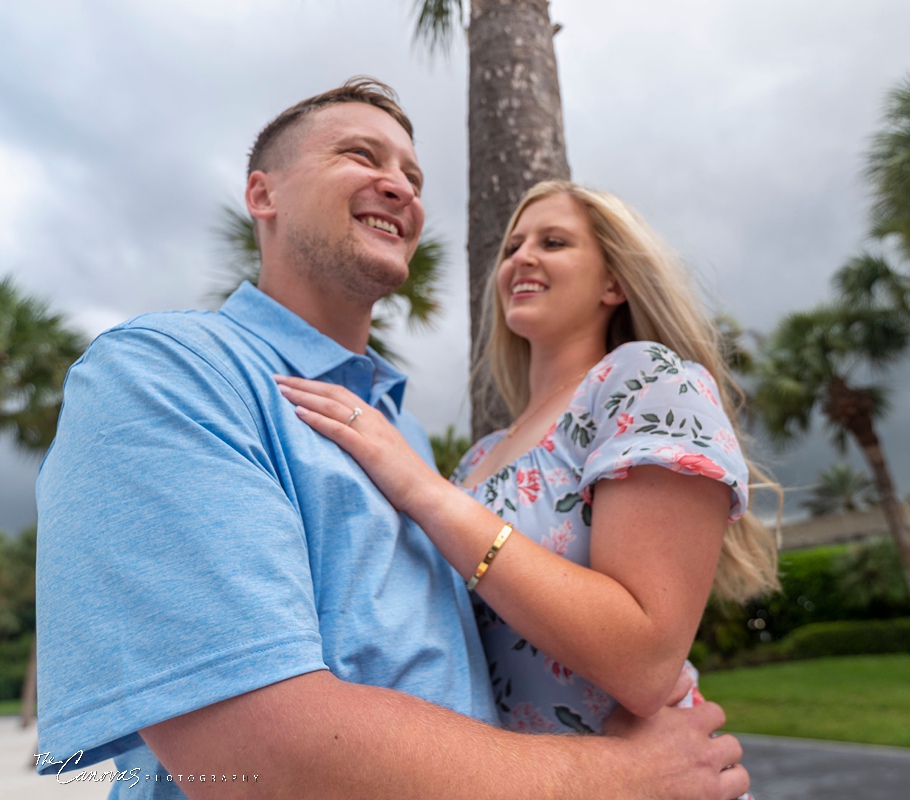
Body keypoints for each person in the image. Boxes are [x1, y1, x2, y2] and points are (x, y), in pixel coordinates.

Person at [35, 77, 750, 799]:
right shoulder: (167, 373)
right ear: (263, 195)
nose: (401, 187)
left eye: (413, 175)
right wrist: (620, 778)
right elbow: (251, 761)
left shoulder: (401, 433)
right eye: (360, 154)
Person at [273, 179, 780, 739]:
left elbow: (645, 663)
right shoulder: (478, 459)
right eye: (513, 246)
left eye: (554, 242)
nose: (521, 258)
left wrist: (425, 490)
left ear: (614, 281)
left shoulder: (643, 380)